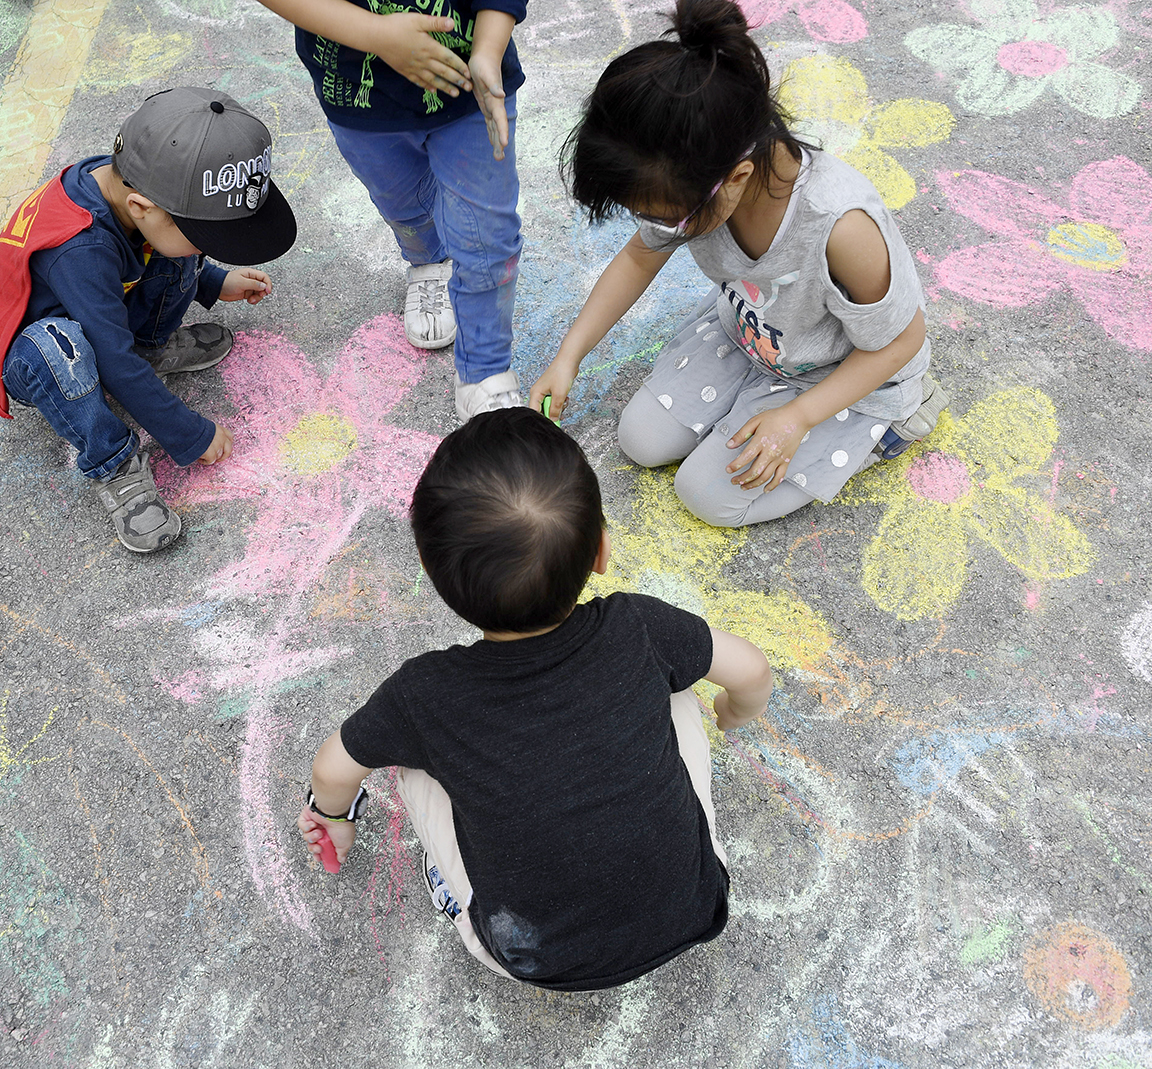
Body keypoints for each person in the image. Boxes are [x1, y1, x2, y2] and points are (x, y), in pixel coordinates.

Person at [296, 407, 774, 989]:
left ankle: (454, 891)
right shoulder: (638, 628)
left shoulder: (423, 695)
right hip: (697, 905)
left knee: (410, 767)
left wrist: (333, 815)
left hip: (530, 957)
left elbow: (333, 765)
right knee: (680, 689)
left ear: (430, 571)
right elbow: (750, 669)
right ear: (601, 551)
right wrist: (735, 712)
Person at [529, 0, 947, 527]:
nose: (656, 227)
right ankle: (754, 403)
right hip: (753, 335)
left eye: (666, 218)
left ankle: (896, 423)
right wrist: (570, 354)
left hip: (842, 372)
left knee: (708, 496)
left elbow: (900, 341)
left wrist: (797, 418)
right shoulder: (692, 179)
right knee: (640, 439)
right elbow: (639, 256)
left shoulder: (840, 229)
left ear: (737, 176)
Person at [0, 87, 297, 552]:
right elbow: (111, 358)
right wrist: (188, 433)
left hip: (98, 311)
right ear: (140, 206)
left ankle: (149, 348)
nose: (207, 247)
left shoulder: (134, 181)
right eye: (206, 236)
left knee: (171, 245)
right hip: (37, 354)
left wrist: (212, 281)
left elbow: (162, 241)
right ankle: (114, 465)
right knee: (63, 346)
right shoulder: (80, 248)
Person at [255, 0, 526, 421]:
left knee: (490, 233)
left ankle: (485, 372)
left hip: (470, 79)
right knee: (402, 202)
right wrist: (374, 34)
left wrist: (489, 48)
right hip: (359, 93)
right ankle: (428, 262)